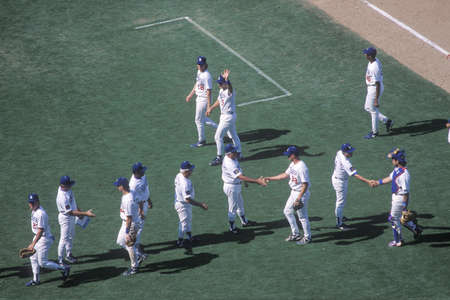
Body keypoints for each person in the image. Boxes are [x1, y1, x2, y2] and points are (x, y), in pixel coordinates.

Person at [369, 148, 421, 247]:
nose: (392, 160)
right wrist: (377, 182)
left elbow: (406, 192)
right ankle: (415, 228)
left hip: (400, 198)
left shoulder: (403, 174)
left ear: (397, 161)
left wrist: (405, 208)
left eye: (393, 159)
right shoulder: (398, 169)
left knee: (393, 219)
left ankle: (398, 241)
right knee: (400, 219)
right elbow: (390, 177)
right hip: (396, 198)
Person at [264, 146, 312, 245]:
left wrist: (298, 199)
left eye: (289, 155)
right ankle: (296, 234)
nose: (287, 157)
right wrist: (270, 178)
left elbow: (305, 184)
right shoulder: (293, 164)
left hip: (300, 194)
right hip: (293, 192)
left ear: (294, 155)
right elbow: (284, 175)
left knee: (302, 217)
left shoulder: (302, 167)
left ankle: (307, 237)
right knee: (287, 211)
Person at [25, 193, 70, 286]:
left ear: (37, 202)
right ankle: (35, 280)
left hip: (44, 239)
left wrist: (33, 244)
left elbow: (41, 231)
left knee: (42, 262)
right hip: (38, 237)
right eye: (30, 203)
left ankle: (64, 268)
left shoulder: (41, 214)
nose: (31, 205)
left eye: (33, 203)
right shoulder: (34, 210)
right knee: (33, 257)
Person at [221, 144, 266, 234]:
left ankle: (244, 221)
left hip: (236, 185)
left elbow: (240, 171)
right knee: (232, 208)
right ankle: (232, 228)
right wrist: (257, 181)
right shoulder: (229, 163)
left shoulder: (233, 158)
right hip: (231, 187)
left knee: (240, 204)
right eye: (234, 152)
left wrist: (244, 182)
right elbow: (240, 176)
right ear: (228, 154)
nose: (236, 153)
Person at [56, 175, 95, 265]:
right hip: (65, 218)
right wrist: (85, 213)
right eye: (69, 184)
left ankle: (69, 254)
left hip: (72, 215)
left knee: (71, 235)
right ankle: (60, 260)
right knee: (63, 238)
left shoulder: (68, 190)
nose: (71, 186)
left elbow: (73, 202)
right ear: (64, 186)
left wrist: (79, 211)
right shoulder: (62, 197)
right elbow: (69, 212)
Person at [332, 143, 372, 230]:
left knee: (341, 201)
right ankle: (339, 223)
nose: (351, 153)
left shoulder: (339, 152)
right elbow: (355, 175)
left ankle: (340, 216)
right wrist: (368, 181)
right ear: (344, 152)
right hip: (340, 182)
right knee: (340, 202)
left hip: (338, 178)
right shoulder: (346, 162)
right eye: (349, 152)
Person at [206, 69, 242, 166]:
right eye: (219, 83)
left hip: (228, 117)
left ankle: (219, 157)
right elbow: (219, 100)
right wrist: (211, 108)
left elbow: (230, 88)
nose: (219, 85)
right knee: (233, 134)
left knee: (218, 137)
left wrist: (227, 80)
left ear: (225, 83)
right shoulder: (221, 90)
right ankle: (239, 152)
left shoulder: (229, 91)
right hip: (225, 116)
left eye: (221, 83)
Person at [174, 161, 208, 253]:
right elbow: (188, 199)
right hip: (183, 205)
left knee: (188, 221)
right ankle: (180, 242)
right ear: (186, 171)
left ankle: (189, 238)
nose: (192, 172)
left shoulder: (178, 175)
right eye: (190, 170)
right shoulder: (185, 183)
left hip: (180, 202)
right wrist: (201, 205)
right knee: (184, 224)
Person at [186, 56, 218, 147]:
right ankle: (221, 128)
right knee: (202, 119)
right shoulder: (199, 72)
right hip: (199, 98)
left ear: (205, 65)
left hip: (204, 99)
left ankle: (201, 140)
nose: (199, 66)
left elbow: (209, 91)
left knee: (198, 120)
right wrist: (190, 94)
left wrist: (209, 106)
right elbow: (197, 84)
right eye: (198, 64)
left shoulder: (207, 76)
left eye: (201, 65)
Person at [362, 47, 393, 139]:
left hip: (375, 88)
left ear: (370, 56)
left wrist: (376, 99)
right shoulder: (373, 61)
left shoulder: (374, 67)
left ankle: (374, 132)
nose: (365, 55)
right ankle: (387, 121)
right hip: (372, 87)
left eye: (366, 54)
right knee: (368, 108)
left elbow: (378, 83)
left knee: (372, 110)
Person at [114, 177, 140, 276]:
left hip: (131, 224)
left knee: (129, 244)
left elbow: (129, 218)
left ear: (122, 186)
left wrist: (127, 232)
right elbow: (140, 201)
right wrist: (140, 210)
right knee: (120, 241)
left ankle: (134, 267)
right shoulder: (131, 193)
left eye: (118, 185)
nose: (117, 187)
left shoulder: (128, 199)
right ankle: (138, 255)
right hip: (127, 222)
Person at [129, 162, 152, 261]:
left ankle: (137, 245)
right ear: (136, 172)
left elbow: (145, 190)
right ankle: (137, 250)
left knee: (140, 227)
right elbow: (137, 200)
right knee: (138, 228)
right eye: (142, 170)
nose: (144, 171)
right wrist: (141, 211)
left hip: (144, 203)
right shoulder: (133, 186)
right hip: (138, 208)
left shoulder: (143, 176)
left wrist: (149, 200)